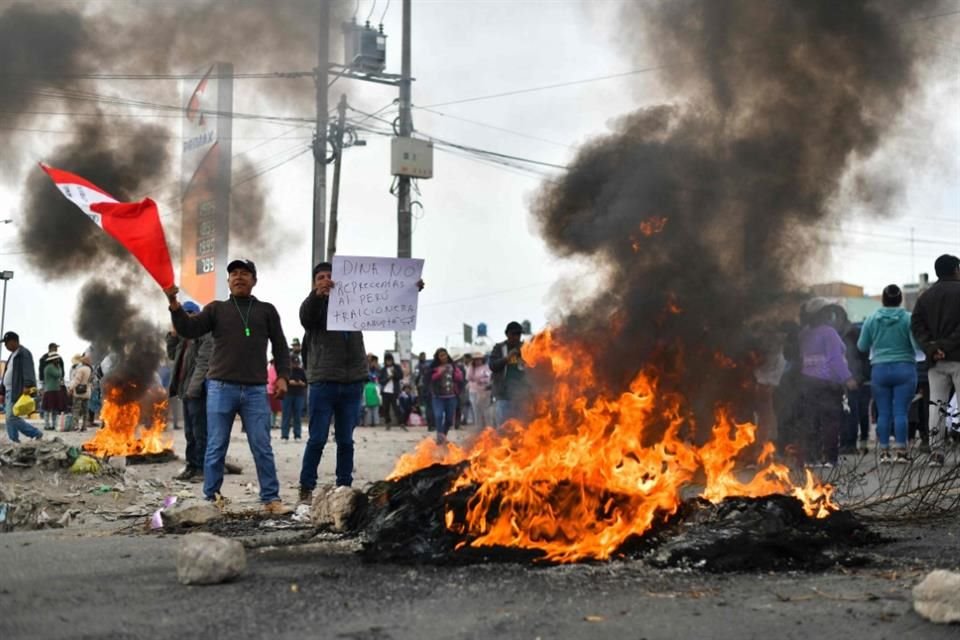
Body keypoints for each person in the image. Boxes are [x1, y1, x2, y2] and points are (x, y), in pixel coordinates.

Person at [164, 258, 293, 515]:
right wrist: (174, 304)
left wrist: (283, 376)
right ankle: (211, 498)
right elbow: (189, 328)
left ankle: (271, 498)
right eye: (234, 273)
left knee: (262, 446)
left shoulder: (266, 310)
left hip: (255, 389)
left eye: (245, 273)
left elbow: (280, 346)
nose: (239, 277)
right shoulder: (216, 309)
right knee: (215, 446)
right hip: (221, 387)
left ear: (254, 280)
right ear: (228, 281)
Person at [298, 261, 370, 502]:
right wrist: (317, 296)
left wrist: (408, 288)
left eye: (330, 276)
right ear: (314, 283)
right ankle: (306, 487)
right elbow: (306, 318)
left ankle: (344, 487)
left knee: (346, 440)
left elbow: (386, 303)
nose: (326, 280)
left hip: (352, 383)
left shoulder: (356, 302)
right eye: (320, 277)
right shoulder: (313, 307)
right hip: (323, 382)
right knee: (317, 438)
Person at [858, 285, 920, 463]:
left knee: (883, 413)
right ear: (900, 300)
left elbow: (862, 346)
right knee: (901, 412)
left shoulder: (871, 319)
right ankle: (901, 452)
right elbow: (916, 345)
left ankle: (884, 452)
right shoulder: (908, 318)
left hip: (880, 370)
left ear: (883, 300)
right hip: (904, 368)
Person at [911, 254, 960, 467]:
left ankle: (936, 453)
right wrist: (946, 346)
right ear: (956, 269)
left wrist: (932, 348)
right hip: (958, 357)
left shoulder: (925, 297)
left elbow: (916, 325)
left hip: (935, 362)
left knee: (936, 405)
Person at [797, 298, 857, 468]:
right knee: (830, 420)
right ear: (823, 314)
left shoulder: (804, 334)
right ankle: (830, 458)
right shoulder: (829, 333)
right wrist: (847, 378)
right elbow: (835, 359)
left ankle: (811, 457)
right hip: (828, 383)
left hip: (808, 381)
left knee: (812, 419)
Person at [166, 300, 213, 482]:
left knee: (200, 432)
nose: (186, 317)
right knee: (189, 433)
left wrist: (193, 390)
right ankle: (191, 466)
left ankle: (201, 469)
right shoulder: (184, 337)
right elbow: (172, 356)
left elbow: (203, 364)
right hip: (185, 391)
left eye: (189, 314)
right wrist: (172, 336)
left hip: (197, 392)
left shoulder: (205, 335)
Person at [2, 332, 43, 442]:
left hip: (16, 389)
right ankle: (14, 439)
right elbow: (6, 373)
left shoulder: (23, 353)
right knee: (9, 418)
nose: (5, 346)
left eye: (6, 343)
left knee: (12, 417)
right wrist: (2, 391)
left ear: (14, 341)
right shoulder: (12, 355)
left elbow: (28, 369)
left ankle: (35, 433)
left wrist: (27, 385)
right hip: (9, 390)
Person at [489, 321, 530, 426]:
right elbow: (492, 365)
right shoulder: (499, 348)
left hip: (522, 396)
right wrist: (507, 358)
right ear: (507, 334)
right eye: (513, 334)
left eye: (518, 334)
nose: (516, 337)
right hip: (503, 396)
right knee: (504, 428)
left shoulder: (526, 348)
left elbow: (534, 367)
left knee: (522, 428)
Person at [430, 347, 463, 444]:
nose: (443, 357)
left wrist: (455, 373)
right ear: (438, 357)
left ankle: (443, 435)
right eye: (441, 356)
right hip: (438, 398)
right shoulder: (433, 367)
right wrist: (439, 372)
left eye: (445, 355)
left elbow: (460, 378)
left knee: (449, 419)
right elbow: (430, 378)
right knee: (438, 416)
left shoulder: (453, 366)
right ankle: (439, 437)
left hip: (451, 397)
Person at [40, 347, 67, 431]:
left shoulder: (51, 367)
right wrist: (60, 368)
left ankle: (52, 424)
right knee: (49, 409)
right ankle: (47, 424)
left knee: (53, 409)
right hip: (50, 390)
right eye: (57, 359)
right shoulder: (50, 367)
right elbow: (58, 374)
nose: (58, 360)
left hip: (53, 390)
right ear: (53, 359)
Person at [280, 356, 307, 441]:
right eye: (294, 363)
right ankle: (284, 435)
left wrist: (300, 383)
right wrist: (289, 382)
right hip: (287, 395)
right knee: (286, 415)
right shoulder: (287, 371)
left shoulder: (301, 371)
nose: (295, 365)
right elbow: (283, 381)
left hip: (299, 395)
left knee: (297, 416)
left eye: (297, 363)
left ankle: (297, 435)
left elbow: (306, 383)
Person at [66, 353, 94, 431]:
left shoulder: (81, 370)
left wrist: (70, 388)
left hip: (79, 393)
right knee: (85, 410)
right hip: (87, 392)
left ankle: (75, 426)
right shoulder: (91, 370)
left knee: (76, 409)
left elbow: (76, 381)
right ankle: (84, 426)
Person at [466, 352, 493, 428]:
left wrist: (481, 380)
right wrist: (471, 366)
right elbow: (468, 377)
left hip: (484, 391)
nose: (477, 361)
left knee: (485, 411)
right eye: (475, 359)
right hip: (473, 391)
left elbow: (489, 378)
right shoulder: (471, 368)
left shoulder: (486, 367)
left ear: (482, 359)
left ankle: (488, 427)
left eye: (479, 359)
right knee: (476, 411)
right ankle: (479, 428)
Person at [378, 353, 404, 429]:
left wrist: (394, 374)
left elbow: (401, 376)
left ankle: (401, 422)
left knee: (396, 407)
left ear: (392, 360)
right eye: (387, 360)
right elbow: (381, 381)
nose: (389, 362)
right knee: (386, 408)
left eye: (390, 360)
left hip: (394, 392)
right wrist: (388, 378)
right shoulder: (383, 369)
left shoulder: (397, 367)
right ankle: (388, 423)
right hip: (385, 392)